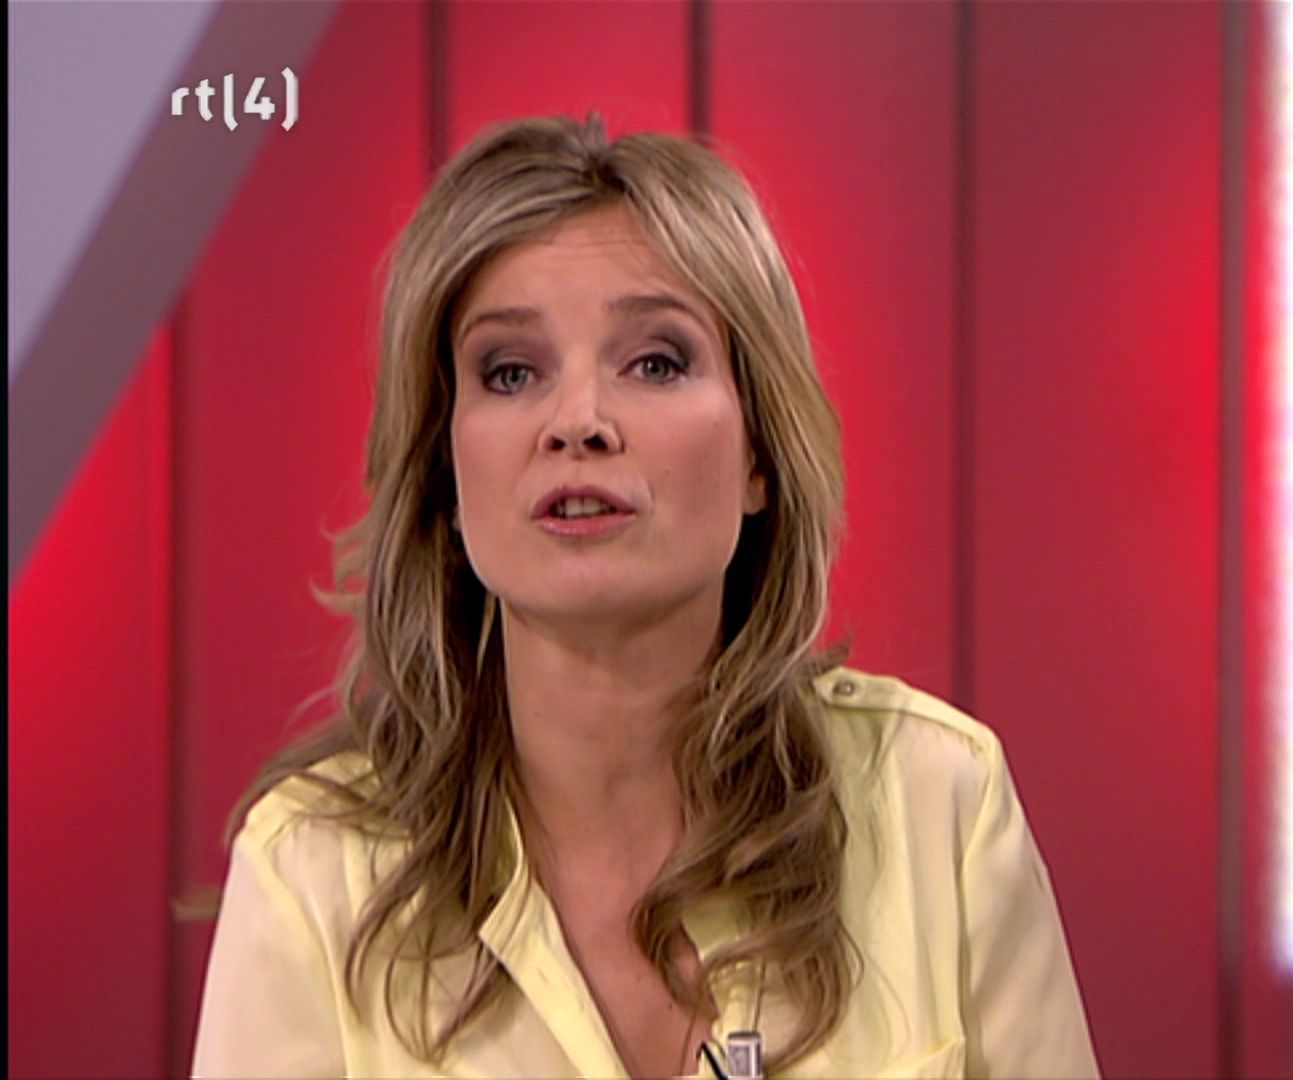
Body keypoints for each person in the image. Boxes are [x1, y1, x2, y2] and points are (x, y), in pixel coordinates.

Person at [190, 113, 1099, 1079]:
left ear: (759, 455)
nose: (578, 422)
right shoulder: (313, 871)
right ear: (446, 475)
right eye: (510, 372)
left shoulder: (937, 802)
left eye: (656, 362)